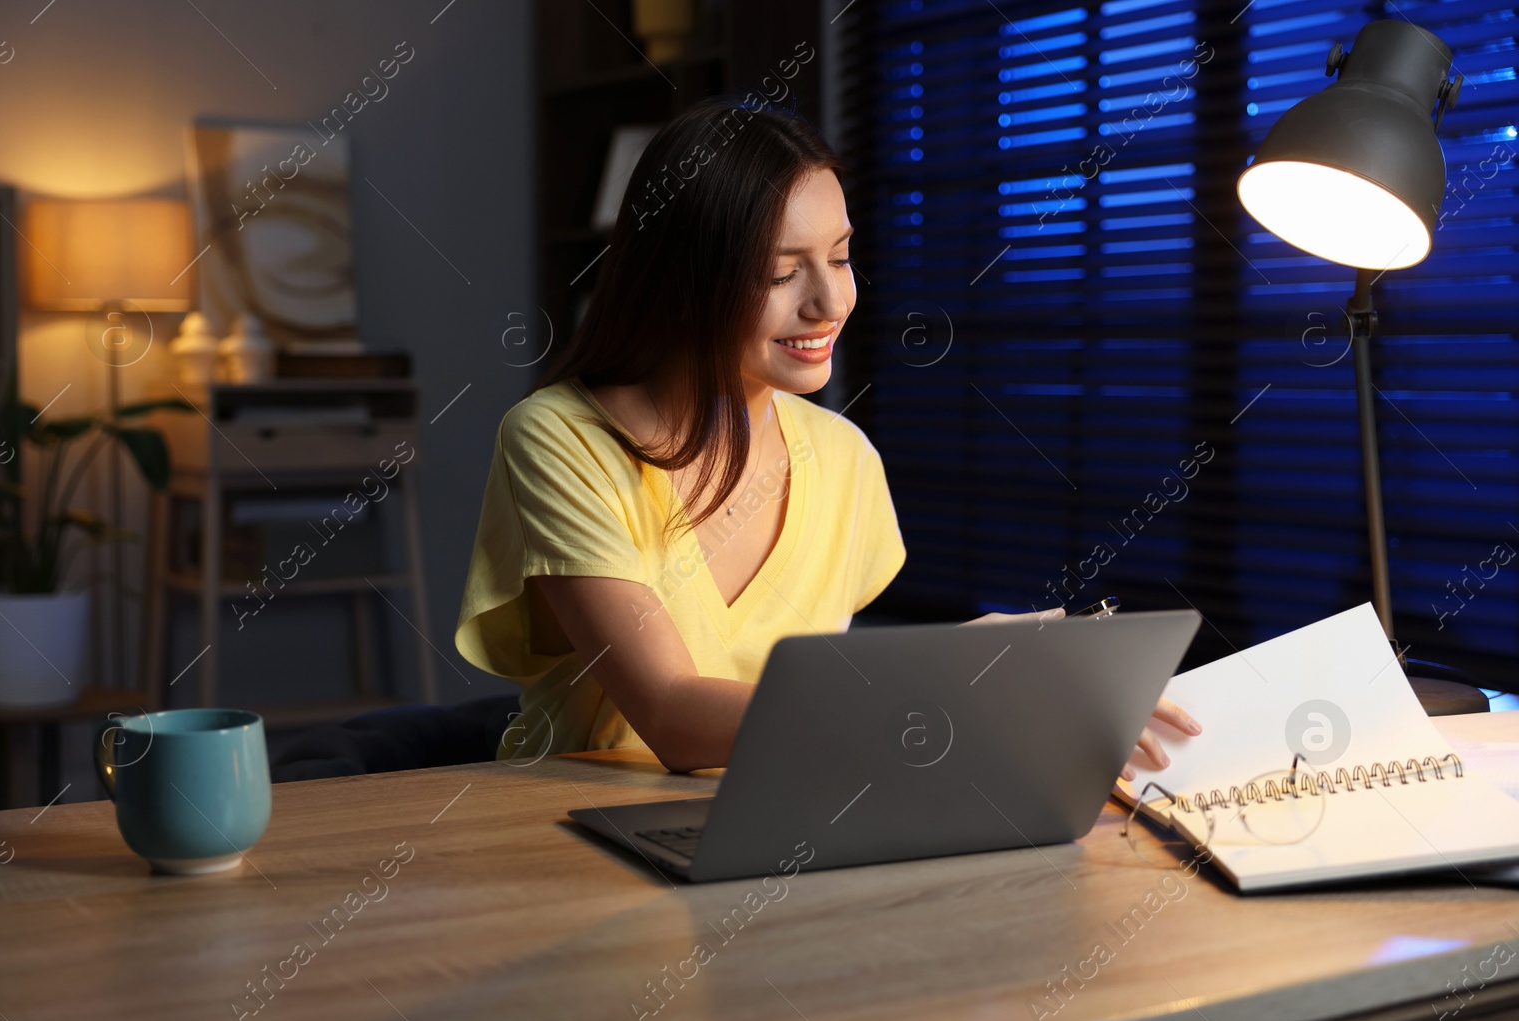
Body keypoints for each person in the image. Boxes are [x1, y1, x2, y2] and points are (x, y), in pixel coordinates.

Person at [454, 98, 1198, 775]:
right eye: (782, 273)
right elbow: (672, 715)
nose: (830, 301)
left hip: (771, 819)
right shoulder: (560, 440)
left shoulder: (844, 460)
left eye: (840, 257)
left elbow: (821, 702)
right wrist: (955, 693)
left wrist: (986, 673)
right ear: (684, 280)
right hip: (564, 831)